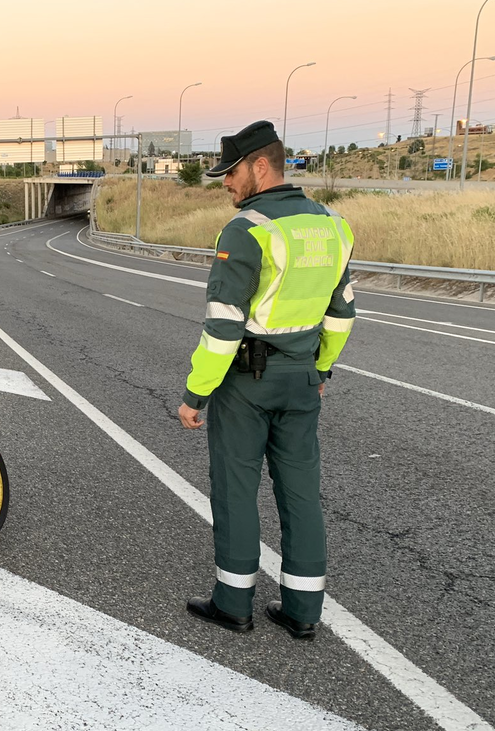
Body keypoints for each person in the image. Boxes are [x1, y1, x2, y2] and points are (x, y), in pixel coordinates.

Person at [177, 120, 356, 640]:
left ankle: (233, 603)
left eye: (230, 173)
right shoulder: (333, 226)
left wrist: (196, 393)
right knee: (301, 492)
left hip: (246, 384)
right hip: (302, 378)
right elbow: (341, 315)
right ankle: (303, 612)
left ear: (260, 166)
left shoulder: (247, 229)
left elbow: (224, 326)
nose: (225, 184)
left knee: (236, 490)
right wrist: (320, 370)